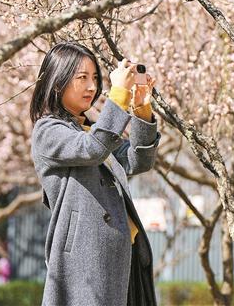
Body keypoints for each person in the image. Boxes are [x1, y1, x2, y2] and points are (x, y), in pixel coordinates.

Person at [30, 42, 160, 306]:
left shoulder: (91, 130)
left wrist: (142, 110)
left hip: (125, 256)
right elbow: (93, 150)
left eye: (95, 78)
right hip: (86, 261)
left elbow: (138, 160)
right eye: (82, 78)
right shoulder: (47, 131)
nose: (92, 87)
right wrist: (119, 96)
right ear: (57, 82)